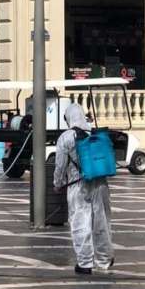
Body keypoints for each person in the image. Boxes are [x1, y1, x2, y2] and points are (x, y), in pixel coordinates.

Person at [53, 103, 114, 275]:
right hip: (100, 182)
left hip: (77, 184)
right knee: (102, 221)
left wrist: (57, 184)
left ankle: (85, 262)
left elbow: (60, 166)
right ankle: (104, 260)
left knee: (80, 223)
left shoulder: (66, 137)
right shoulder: (94, 133)